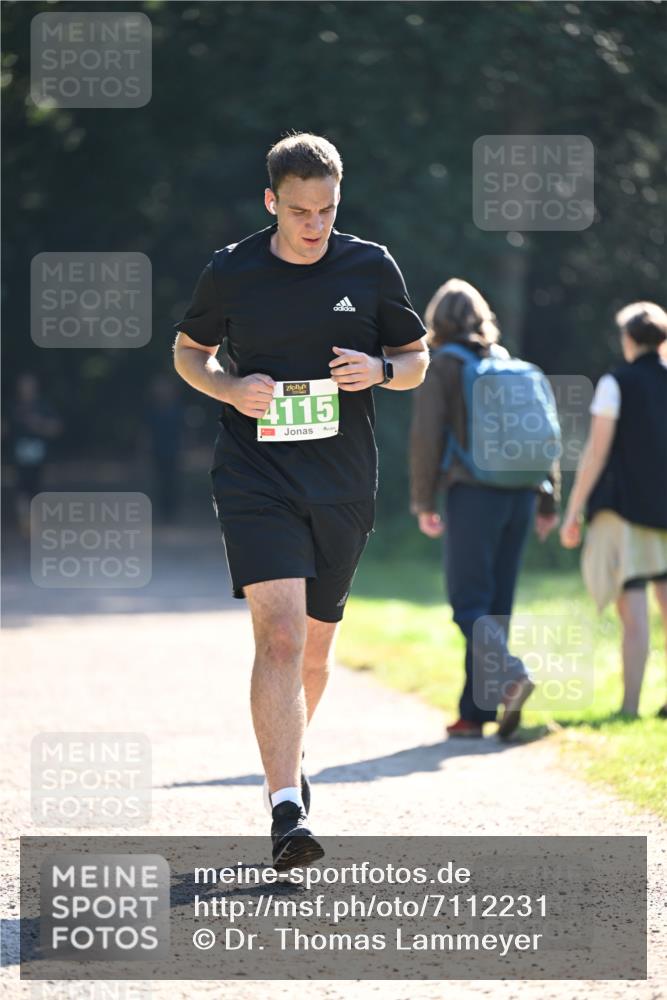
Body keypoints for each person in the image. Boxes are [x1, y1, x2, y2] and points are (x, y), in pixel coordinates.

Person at [172, 133, 428, 870]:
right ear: (270, 203)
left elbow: (417, 361)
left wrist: (379, 368)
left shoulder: (369, 265)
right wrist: (228, 387)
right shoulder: (232, 270)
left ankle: (292, 754)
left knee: (314, 648)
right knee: (278, 638)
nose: (313, 225)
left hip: (342, 480)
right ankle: (286, 805)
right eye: (298, 211)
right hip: (254, 474)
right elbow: (189, 353)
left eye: (326, 210)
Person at [410, 279, 560, 740]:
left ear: (437, 322)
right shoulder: (507, 363)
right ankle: (474, 715)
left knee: (468, 606)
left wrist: (423, 500)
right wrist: (548, 495)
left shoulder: (445, 367)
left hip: (472, 493)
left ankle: (512, 676)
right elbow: (544, 433)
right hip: (520, 492)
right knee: (495, 609)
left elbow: (426, 437)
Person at [560, 302, 667, 718]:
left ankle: (629, 707)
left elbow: (596, 453)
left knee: (635, 611)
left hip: (626, 512)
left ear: (628, 338)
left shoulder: (615, 382)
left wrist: (574, 511)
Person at [7, 372, 62, 538]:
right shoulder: (13, 406)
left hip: (39, 457)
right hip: (19, 456)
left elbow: (56, 428)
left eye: (29, 384)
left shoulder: (43, 406)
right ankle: (26, 524)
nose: (27, 388)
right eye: (24, 385)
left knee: (36, 489)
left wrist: (39, 424)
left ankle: (35, 523)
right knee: (21, 490)